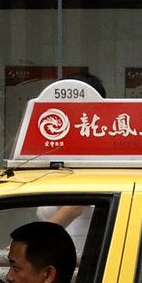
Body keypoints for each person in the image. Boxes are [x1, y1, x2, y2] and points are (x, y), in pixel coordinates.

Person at [36, 72, 106, 250]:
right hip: (59, 262)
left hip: (85, 268)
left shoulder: (91, 154)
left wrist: (31, 245)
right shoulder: (60, 154)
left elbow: (74, 207)